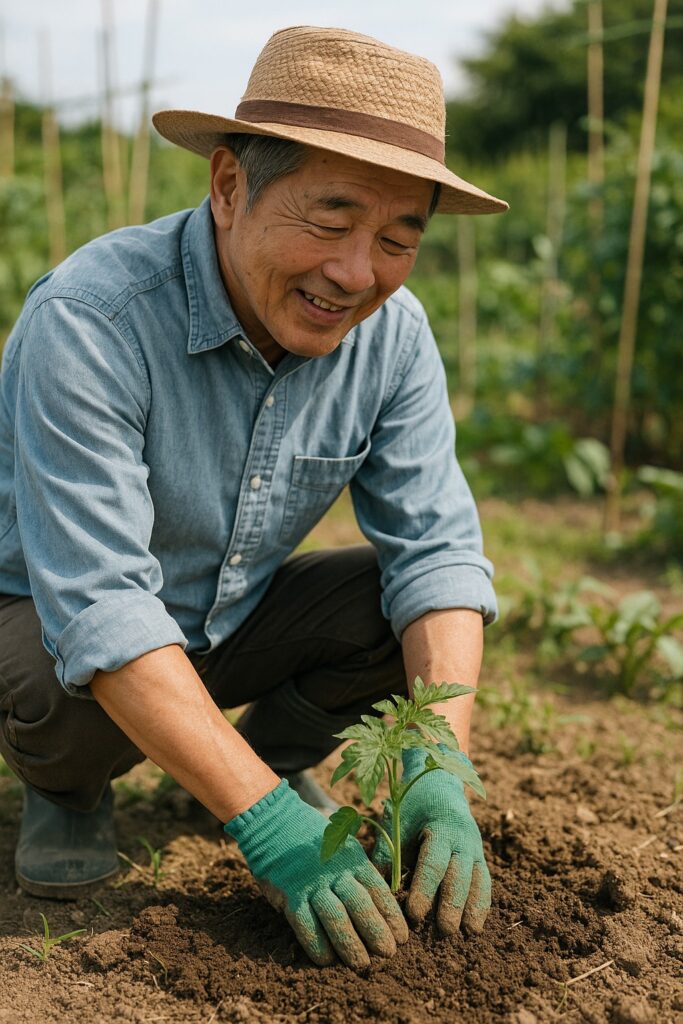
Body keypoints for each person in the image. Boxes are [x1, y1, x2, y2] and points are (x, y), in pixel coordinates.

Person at [0, 26, 507, 969]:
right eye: (329, 221)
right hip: (57, 619)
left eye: (398, 238)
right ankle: (69, 795)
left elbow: (437, 553)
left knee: (399, 607)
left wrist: (437, 760)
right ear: (228, 187)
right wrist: (270, 833)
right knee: (57, 676)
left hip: (226, 620)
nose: (357, 273)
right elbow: (103, 602)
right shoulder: (92, 318)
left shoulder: (391, 337)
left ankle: (260, 762)